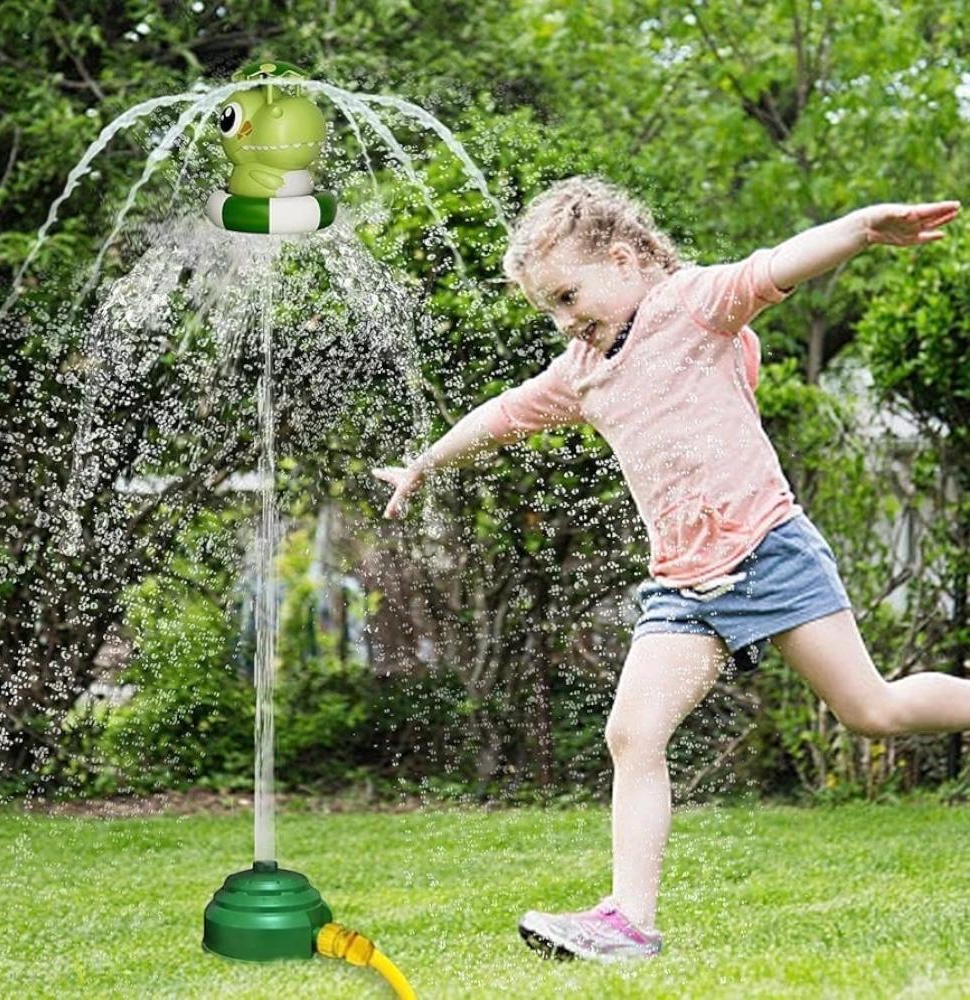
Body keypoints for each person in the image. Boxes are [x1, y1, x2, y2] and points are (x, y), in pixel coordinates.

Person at [372, 177, 964, 963]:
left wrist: (859, 227)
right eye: (549, 309)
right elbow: (508, 412)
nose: (564, 321)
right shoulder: (583, 369)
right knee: (631, 733)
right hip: (682, 585)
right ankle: (628, 922)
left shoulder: (692, 305)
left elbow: (774, 265)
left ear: (623, 259)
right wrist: (425, 462)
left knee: (873, 711)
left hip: (766, 551)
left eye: (568, 296)